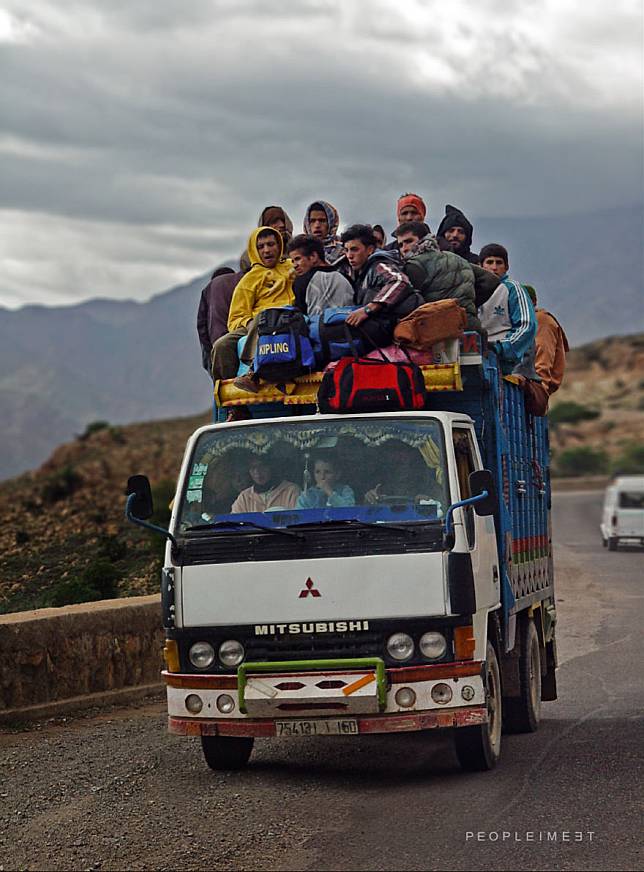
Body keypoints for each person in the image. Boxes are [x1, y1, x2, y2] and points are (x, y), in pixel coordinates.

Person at [210, 227, 294, 399]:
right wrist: (251, 324)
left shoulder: (291, 268)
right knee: (222, 345)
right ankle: (232, 401)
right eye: (261, 246)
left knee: (266, 318)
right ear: (254, 251)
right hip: (254, 324)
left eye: (271, 244)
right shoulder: (248, 280)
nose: (267, 250)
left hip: (288, 319)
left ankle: (251, 373)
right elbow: (234, 319)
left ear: (279, 246)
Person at [395, 221, 481, 331]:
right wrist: (467, 304)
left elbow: (410, 304)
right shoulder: (457, 258)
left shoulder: (414, 265)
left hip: (439, 332)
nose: (404, 248)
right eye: (400, 245)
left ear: (423, 239)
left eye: (409, 241)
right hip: (472, 327)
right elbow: (490, 280)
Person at [340, 224, 416, 347]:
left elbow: (399, 281)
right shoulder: (360, 274)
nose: (349, 255)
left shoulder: (379, 265)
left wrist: (368, 309)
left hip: (404, 331)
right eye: (346, 250)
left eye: (354, 249)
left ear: (370, 250)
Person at [478, 243, 537, 373]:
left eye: (499, 262)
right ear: (480, 265)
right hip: (475, 355)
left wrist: (502, 348)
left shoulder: (513, 289)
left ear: (506, 267)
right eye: (489, 262)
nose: (494, 267)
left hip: (505, 363)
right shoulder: (472, 289)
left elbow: (527, 325)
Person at [515, 285, 569, 414]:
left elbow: (543, 357)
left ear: (533, 302)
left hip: (536, 384)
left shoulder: (541, 321)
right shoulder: (525, 323)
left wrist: (539, 391)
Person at [287, 234, 354, 315]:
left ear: (313, 256)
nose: (294, 265)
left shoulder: (301, 282)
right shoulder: (347, 278)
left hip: (315, 326)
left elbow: (300, 317)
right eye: (293, 261)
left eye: (297, 259)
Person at [364, 440, 443, 506]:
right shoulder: (383, 487)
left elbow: (443, 507)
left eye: (402, 452)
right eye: (393, 453)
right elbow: (366, 516)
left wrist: (428, 501)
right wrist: (369, 499)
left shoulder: (428, 484)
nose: (398, 457)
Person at [197, 266, 244, 374]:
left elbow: (202, 329)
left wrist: (210, 366)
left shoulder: (210, 292)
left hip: (221, 353)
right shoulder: (244, 286)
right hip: (248, 349)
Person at [231, 455, 300, 513]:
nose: (257, 472)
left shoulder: (291, 491)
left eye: (262, 466)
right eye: (253, 468)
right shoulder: (244, 497)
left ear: (271, 466)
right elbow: (235, 524)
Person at [240, 206, 294, 270]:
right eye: (275, 222)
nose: (281, 225)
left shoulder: (296, 249)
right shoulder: (248, 258)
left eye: (283, 221)